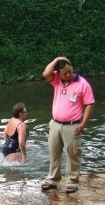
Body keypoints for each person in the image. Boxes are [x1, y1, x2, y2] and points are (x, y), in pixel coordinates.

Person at [41, 56, 95, 194]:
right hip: (55, 124)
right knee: (54, 152)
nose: (68, 75)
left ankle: (72, 181)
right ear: (58, 74)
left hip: (72, 125)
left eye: (70, 71)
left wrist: (83, 123)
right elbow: (46, 73)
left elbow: (89, 104)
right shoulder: (57, 81)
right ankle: (53, 179)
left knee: (73, 153)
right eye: (64, 73)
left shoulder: (83, 84)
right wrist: (57, 59)